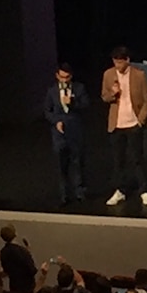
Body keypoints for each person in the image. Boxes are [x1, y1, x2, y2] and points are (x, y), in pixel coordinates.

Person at [102, 47, 147, 207]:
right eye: (115, 62)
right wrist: (113, 93)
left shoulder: (139, 75)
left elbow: (146, 100)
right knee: (119, 160)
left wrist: (140, 121)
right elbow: (104, 97)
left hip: (133, 123)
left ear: (127, 60)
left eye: (120, 62)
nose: (117, 65)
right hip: (116, 125)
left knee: (137, 159)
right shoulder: (108, 75)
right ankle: (120, 190)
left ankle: (144, 190)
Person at [43, 63, 89, 206]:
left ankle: (79, 192)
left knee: (77, 162)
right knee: (61, 164)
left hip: (75, 131)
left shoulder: (79, 88)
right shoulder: (51, 91)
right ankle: (64, 194)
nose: (64, 80)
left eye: (67, 77)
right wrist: (56, 121)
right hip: (59, 133)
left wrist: (73, 102)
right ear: (57, 76)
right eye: (62, 77)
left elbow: (86, 105)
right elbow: (47, 111)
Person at [0, 224, 37, 293]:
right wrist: (28, 253)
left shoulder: (3, 252)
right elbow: (32, 270)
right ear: (15, 234)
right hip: (27, 287)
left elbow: (7, 269)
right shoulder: (22, 251)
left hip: (14, 286)